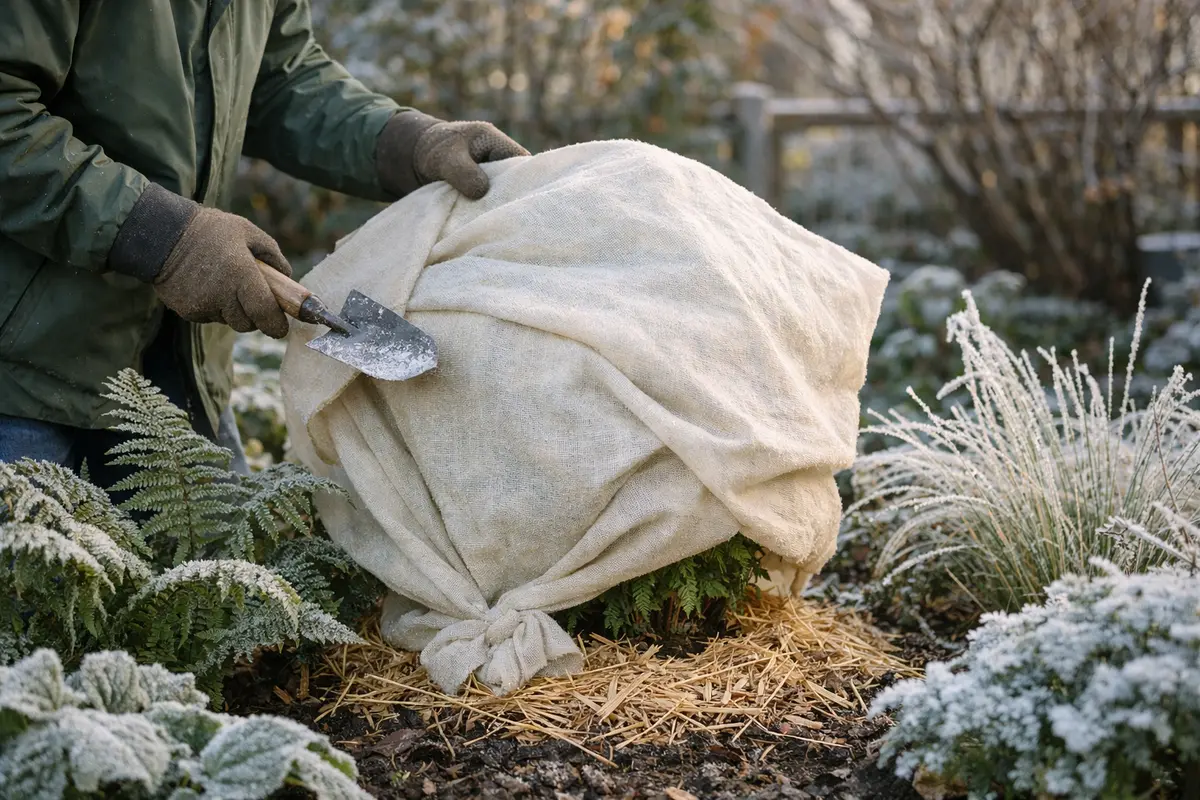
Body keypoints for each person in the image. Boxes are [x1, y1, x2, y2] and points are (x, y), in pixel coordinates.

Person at [0, 2, 528, 487]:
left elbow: (281, 80)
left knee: (219, 588)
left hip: (176, 370)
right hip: (21, 377)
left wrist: (408, 144)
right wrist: (158, 234)